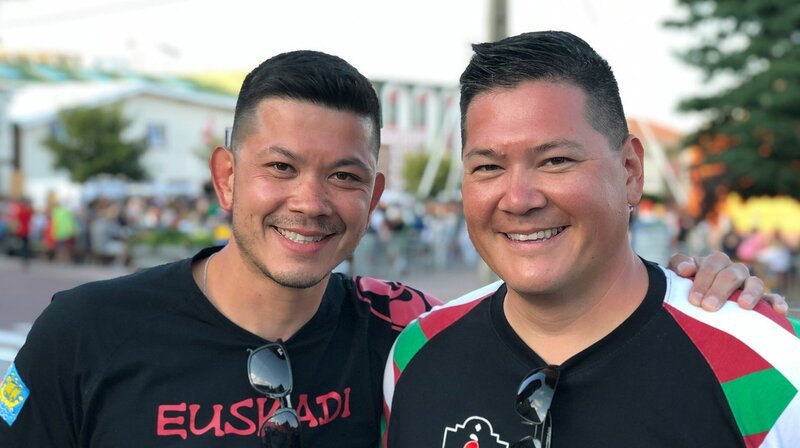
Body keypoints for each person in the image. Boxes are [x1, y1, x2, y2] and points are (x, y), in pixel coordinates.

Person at [0, 50, 782, 448]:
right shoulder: (84, 333)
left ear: (374, 195)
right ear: (226, 177)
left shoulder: (405, 334)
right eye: (280, 168)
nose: (310, 202)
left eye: (344, 175)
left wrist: (717, 294)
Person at [383, 31, 800, 448]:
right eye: (488, 167)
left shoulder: (774, 368)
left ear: (631, 170)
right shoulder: (416, 354)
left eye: (555, 160)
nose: (519, 200)